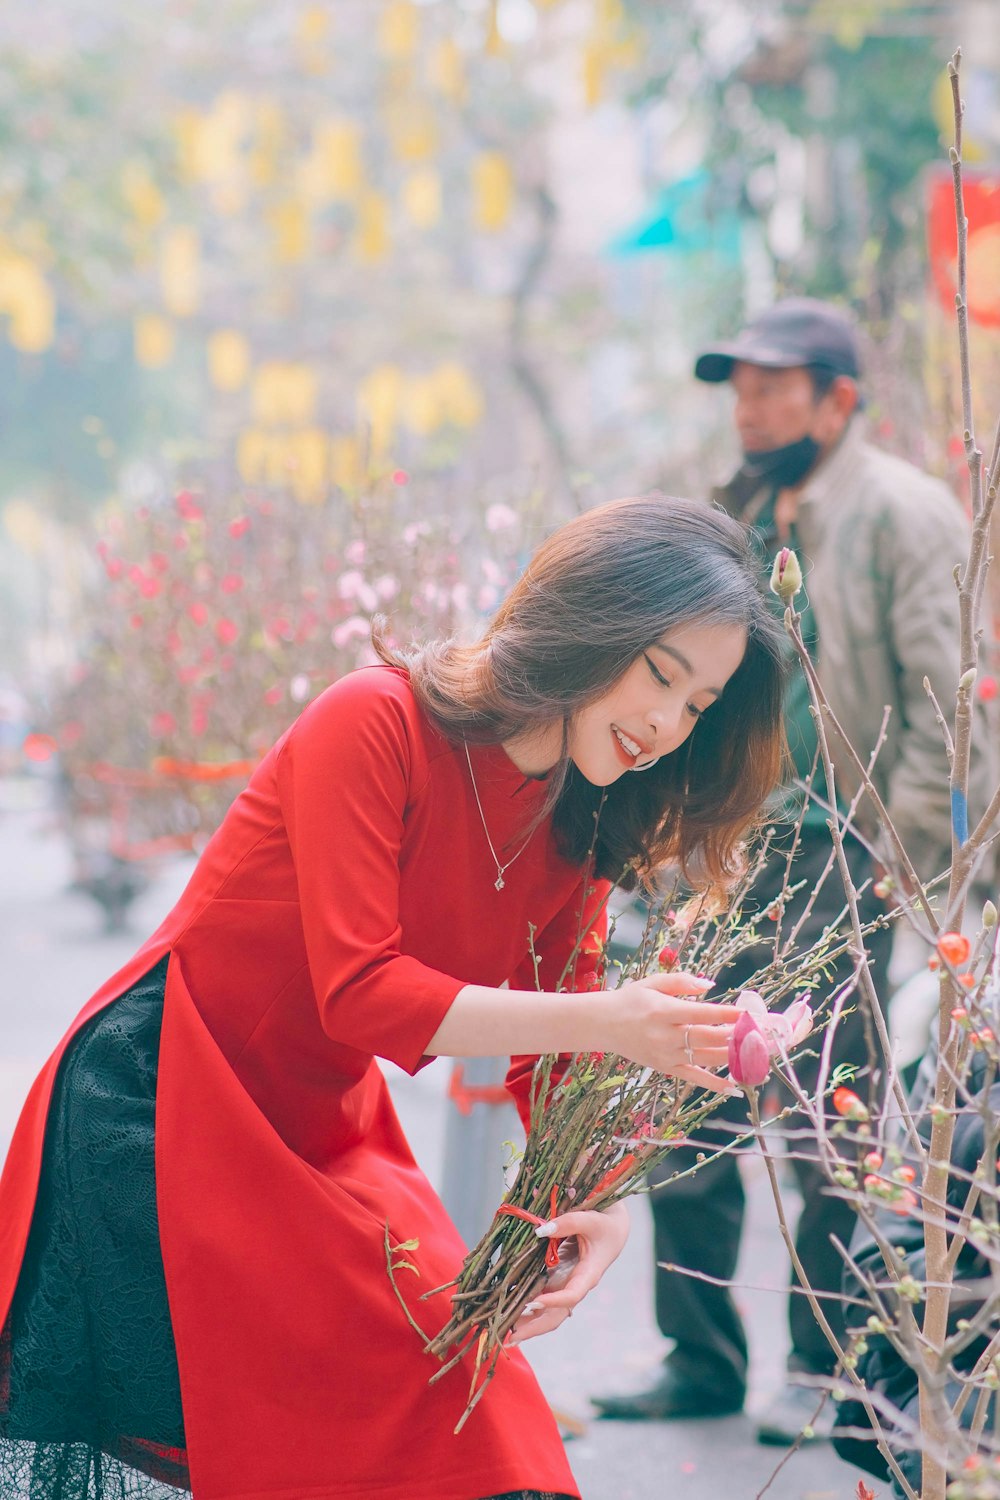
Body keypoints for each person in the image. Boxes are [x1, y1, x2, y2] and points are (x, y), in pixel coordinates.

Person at [0, 495, 787, 1500]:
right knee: (241, 1455)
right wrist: (611, 1024)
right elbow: (360, 992)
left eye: (699, 707)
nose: (667, 726)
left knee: (480, 1424)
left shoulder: (577, 823)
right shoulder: (372, 717)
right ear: (590, 623)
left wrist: (595, 1204)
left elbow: (554, 1056)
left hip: (325, 1128)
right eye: (661, 675)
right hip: (161, 1104)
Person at [592, 298, 988, 1445]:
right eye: (741, 387)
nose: (751, 406)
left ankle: (828, 1366)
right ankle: (700, 1358)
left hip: (840, 852)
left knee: (825, 1122)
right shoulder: (732, 512)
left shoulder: (904, 514)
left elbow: (948, 707)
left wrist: (889, 857)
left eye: (776, 386)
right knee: (680, 1103)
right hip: (717, 847)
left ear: (838, 399)